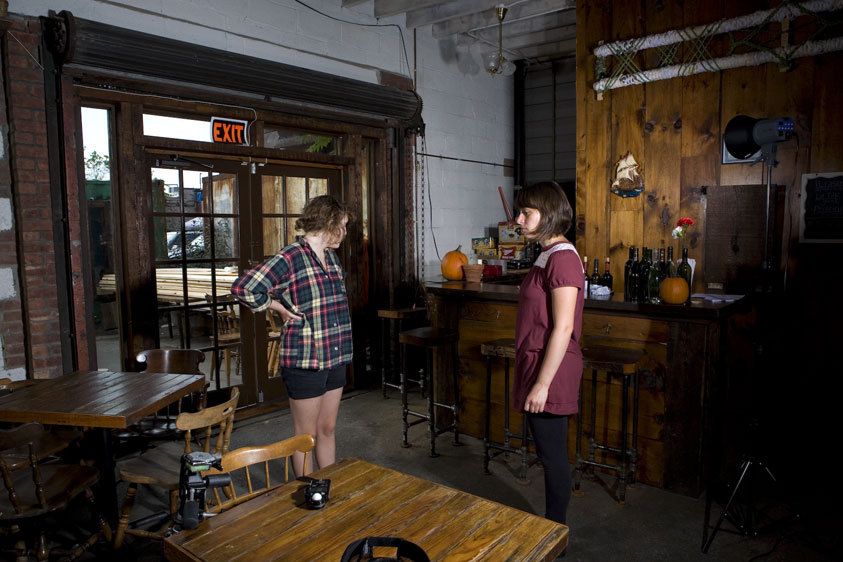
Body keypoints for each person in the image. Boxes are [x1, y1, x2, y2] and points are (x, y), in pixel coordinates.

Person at [231, 195, 353, 476]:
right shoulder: (291, 257)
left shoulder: (332, 259)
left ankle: (329, 484)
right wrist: (276, 306)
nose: (345, 233)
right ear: (329, 223)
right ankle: (308, 489)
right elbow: (243, 288)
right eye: (343, 225)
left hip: (336, 354)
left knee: (327, 428)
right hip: (305, 359)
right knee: (305, 437)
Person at [512, 181, 584, 525]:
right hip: (536, 364)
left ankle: (556, 532)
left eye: (527, 212)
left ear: (549, 214)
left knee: (553, 456)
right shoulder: (547, 254)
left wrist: (542, 384)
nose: (519, 219)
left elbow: (564, 327)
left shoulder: (564, 259)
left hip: (551, 371)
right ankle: (553, 527)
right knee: (546, 451)